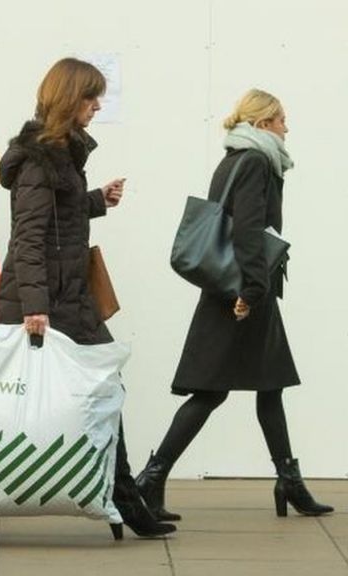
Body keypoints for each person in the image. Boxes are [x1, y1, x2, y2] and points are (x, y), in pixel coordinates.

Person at [0, 57, 174, 538]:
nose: (97, 105)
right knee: (25, 401)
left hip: (65, 297)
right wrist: (34, 307)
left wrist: (95, 200)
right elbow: (29, 238)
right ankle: (123, 497)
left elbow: (56, 217)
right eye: (91, 97)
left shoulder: (59, 155)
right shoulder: (41, 160)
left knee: (103, 389)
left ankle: (123, 495)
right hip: (49, 303)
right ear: (68, 99)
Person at [135, 89, 333, 521]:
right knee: (211, 390)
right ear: (263, 124)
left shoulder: (234, 158)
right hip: (243, 289)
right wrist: (251, 291)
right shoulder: (258, 161)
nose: (287, 126)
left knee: (268, 383)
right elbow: (245, 228)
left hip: (236, 285)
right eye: (281, 119)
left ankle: (287, 480)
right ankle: (152, 477)